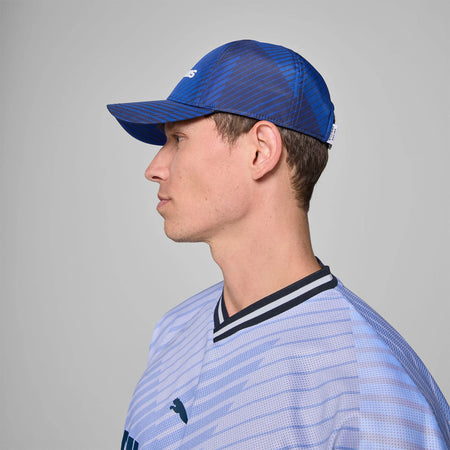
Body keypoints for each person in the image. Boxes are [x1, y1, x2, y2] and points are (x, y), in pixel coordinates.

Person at [108, 40, 449, 449]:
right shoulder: (175, 329)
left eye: (179, 139)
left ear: (261, 151)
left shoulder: (371, 394)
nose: (154, 168)